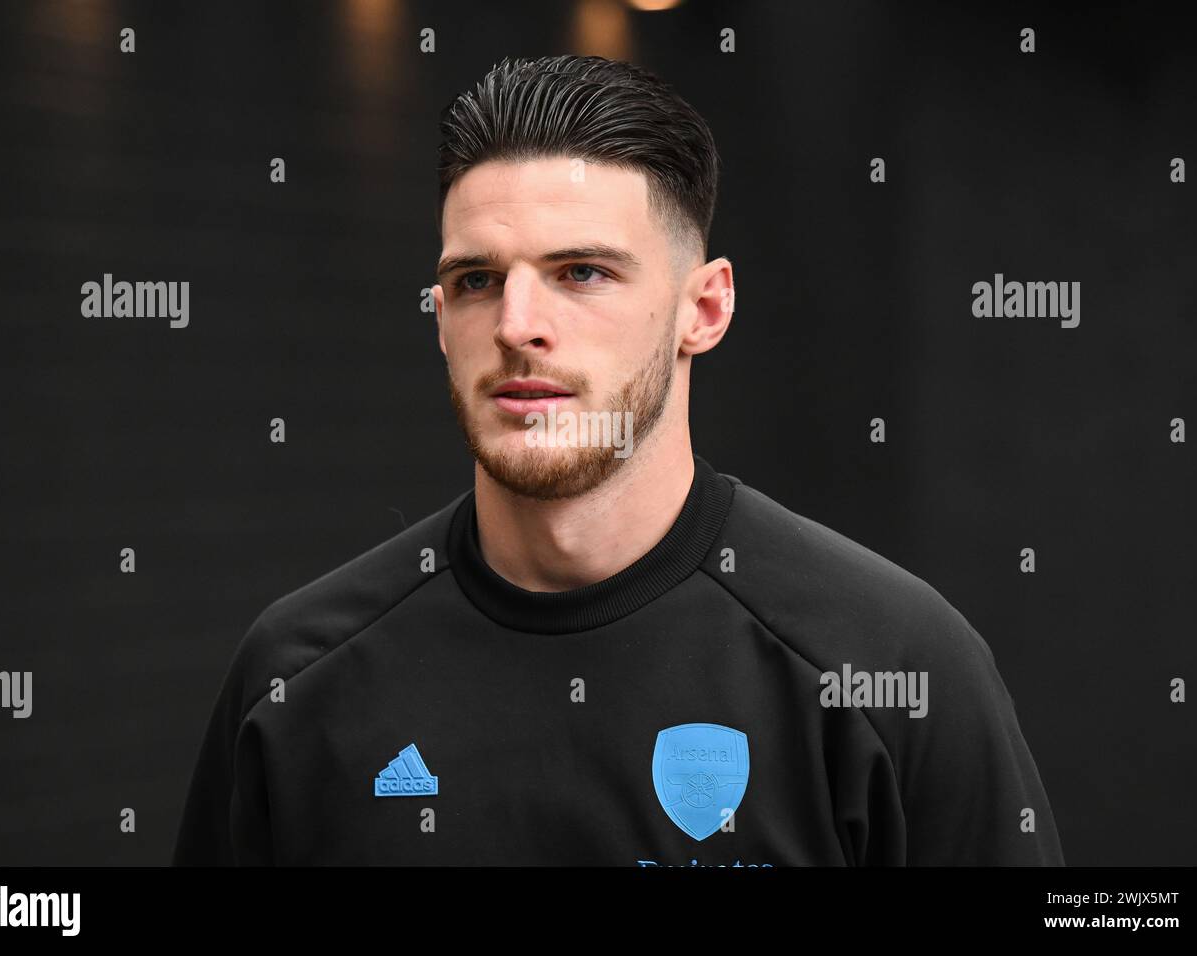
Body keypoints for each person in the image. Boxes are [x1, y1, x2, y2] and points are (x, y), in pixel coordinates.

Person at [172, 54, 1064, 866]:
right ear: (440, 316)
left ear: (703, 310)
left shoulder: (889, 662)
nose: (516, 324)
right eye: (475, 280)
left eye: (582, 273)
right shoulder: (297, 680)